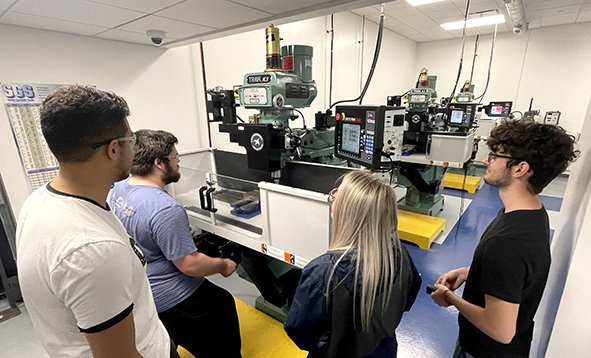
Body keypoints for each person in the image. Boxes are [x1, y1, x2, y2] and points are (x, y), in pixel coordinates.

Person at [16, 85, 174, 358]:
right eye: (130, 142)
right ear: (113, 149)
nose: (133, 151)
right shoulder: (92, 250)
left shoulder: (38, 201)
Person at [431, 122, 579, 358]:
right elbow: (518, 274)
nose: (486, 161)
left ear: (520, 169)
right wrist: (470, 272)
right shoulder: (533, 213)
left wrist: (450, 298)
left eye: (494, 156)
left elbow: (500, 330)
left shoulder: (505, 243)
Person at [110, 129, 242, 358]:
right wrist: (223, 265)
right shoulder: (164, 208)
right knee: (223, 303)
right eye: (175, 157)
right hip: (172, 295)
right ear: (159, 163)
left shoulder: (119, 188)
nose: (179, 161)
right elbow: (189, 265)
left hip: (141, 288)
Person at [284, 170, 421, 358]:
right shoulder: (399, 254)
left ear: (346, 211)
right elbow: (406, 299)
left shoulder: (322, 272)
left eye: (336, 194)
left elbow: (301, 333)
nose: (333, 198)